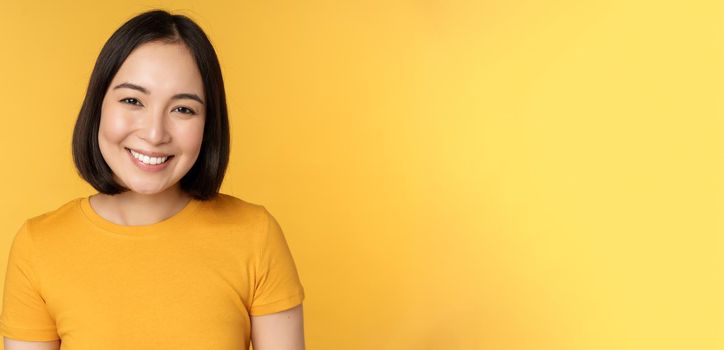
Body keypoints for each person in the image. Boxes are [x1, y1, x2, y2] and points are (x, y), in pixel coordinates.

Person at [0, 9, 305, 350]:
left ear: (208, 124)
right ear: (98, 104)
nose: (155, 133)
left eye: (183, 109)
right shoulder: (38, 247)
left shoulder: (255, 236)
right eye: (132, 100)